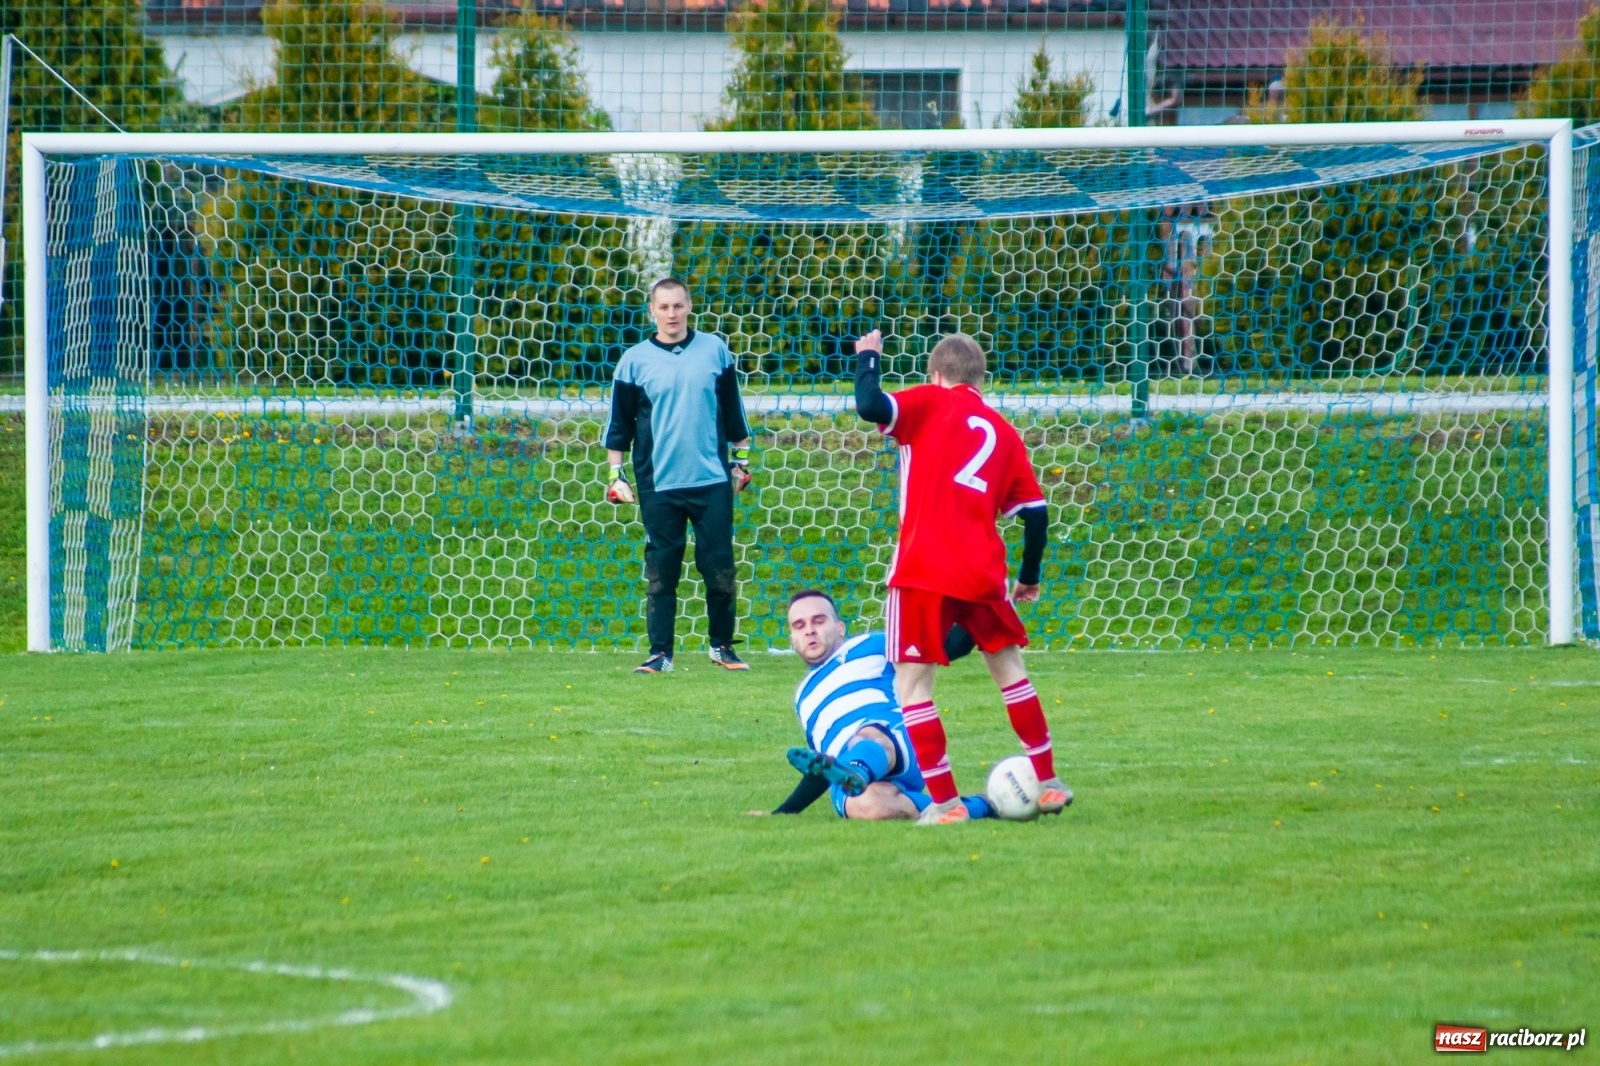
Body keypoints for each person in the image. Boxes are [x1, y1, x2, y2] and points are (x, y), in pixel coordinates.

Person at [852, 329, 1072, 825]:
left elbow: (869, 405)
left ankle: (947, 804)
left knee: (912, 690)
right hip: (982, 571)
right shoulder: (1003, 430)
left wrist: (868, 357)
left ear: (936, 374)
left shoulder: (929, 402)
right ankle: (1050, 781)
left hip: (923, 566)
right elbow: (1035, 514)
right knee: (1010, 672)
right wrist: (1029, 577)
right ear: (981, 378)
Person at [604, 278, 753, 675]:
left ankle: (722, 646)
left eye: (678, 306)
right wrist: (616, 475)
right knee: (661, 571)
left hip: (710, 480)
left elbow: (733, 410)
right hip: (658, 485)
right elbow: (618, 427)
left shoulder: (715, 351)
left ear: (690, 307)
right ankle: (660, 655)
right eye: (663, 307)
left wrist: (740, 460)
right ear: (651, 311)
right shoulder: (634, 361)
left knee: (719, 567)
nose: (671, 314)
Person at [757, 589, 992, 821]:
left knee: (866, 735)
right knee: (870, 807)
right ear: (792, 640)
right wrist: (781, 814)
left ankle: (857, 771)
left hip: (895, 741)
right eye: (799, 626)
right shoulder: (802, 698)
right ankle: (983, 806)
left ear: (840, 627)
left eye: (818, 621)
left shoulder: (874, 644)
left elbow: (949, 645)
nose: (809, 630)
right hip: (847, 767)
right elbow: (823, 765)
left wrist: (984, 602)